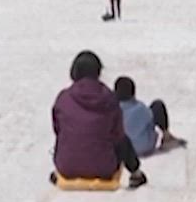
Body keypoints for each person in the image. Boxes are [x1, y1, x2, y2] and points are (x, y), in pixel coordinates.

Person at [51, 51, 147, 189]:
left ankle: (68, 162)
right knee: (123, 139)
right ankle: (136, 173)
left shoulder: (63, 98)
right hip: (104, 168)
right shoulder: (109, 98)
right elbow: (118, 134)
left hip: (67, 167)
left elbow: (58, 129)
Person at [114, 77, 186, 156]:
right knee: (157, 106)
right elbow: (151, 117)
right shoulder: (140, 108)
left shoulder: (109, 108)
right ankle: (167, 136)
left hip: (119, 149)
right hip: (143, 147)